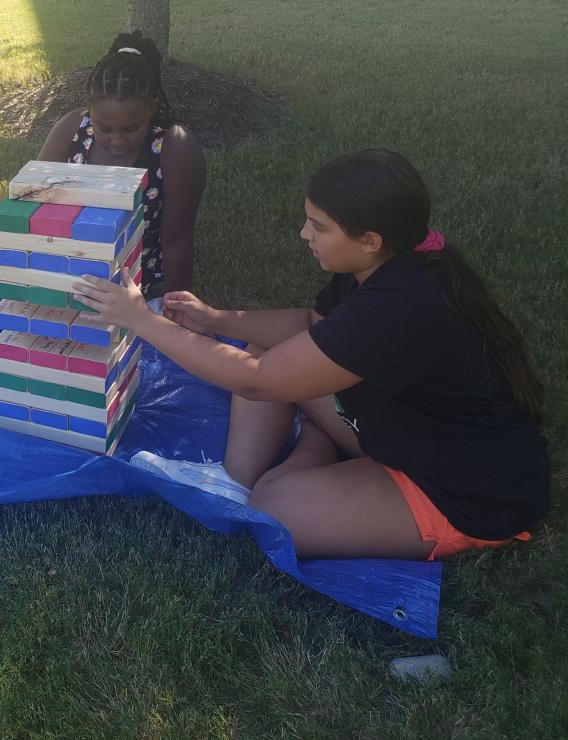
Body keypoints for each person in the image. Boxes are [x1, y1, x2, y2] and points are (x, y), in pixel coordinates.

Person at [74, 148, 549, 561]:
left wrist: (143, 320)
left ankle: (311, 449)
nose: (304, 233)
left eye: (319, 226)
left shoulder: (399, 305)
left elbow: (257, 380)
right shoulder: (377, 264)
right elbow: (308, 325)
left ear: (370, 239)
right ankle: (235, 477)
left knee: (274, 508)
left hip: (462, 492)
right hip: (409, 429)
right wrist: (218, 320)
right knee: (270, 349)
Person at [0, 31, 207, 297]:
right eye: (105, 128)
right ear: (89, 111)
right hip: (54, 256)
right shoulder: (72, 131)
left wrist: (175, 313)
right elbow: (29, 206)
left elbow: (177, 243)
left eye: (131, 128)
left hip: (129, 282)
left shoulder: (175, 149)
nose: (117, 141)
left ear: (152, 108)